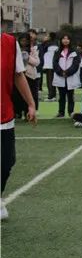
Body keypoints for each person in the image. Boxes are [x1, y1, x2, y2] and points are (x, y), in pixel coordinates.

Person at [1, 32, 37, 220]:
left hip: (3, 113)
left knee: (7, 161)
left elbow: (18, 75)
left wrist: (30, 104)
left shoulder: (9, 43)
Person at [53, 34, 81, 118]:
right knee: (61, 96)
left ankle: (71, 112)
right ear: (61, 40)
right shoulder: (57, 51)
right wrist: (61, 72)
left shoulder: (75, 51)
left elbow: (76, 64)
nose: (65, 40)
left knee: (70, 96)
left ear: (70, 40)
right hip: (60, 76)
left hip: (70, 76)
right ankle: (61, 112)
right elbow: (55, 63)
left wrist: (68, 72)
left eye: (67, 39)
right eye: (64, 38)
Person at [23, 32, 40, 110]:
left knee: (33, 94)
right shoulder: (17, 48)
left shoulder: (33, 49)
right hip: (20, 74)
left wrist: (28, 57)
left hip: (31, 75)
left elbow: (37, 62)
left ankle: (32, 110)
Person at [41, 32, 58, 102]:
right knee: (53, 81)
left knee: (50, 81)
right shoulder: (57, 43)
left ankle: (51, 96)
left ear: (50, 37)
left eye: (47, 36)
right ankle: (53, 95)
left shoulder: (47, 43)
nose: (46, 37)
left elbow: (41, 49)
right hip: (54, 64)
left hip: (49, 65)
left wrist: (44, 41)